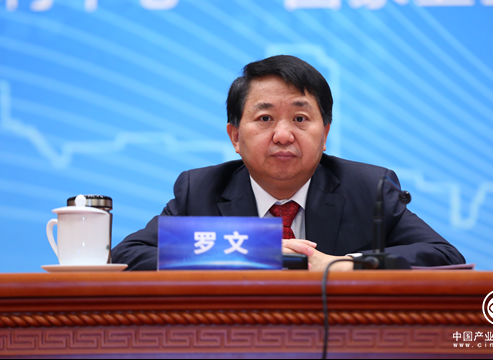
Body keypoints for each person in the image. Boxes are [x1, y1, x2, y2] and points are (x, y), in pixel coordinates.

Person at [112, 55, 465, 271]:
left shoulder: (368, 189)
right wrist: (254, 253)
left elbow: (446, 257)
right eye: (265, 119)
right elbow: (127, 256)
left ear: (325, 134)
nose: (283, 135)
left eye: (300, 118)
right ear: (235, 137)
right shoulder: (200, 191)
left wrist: (348, 266)